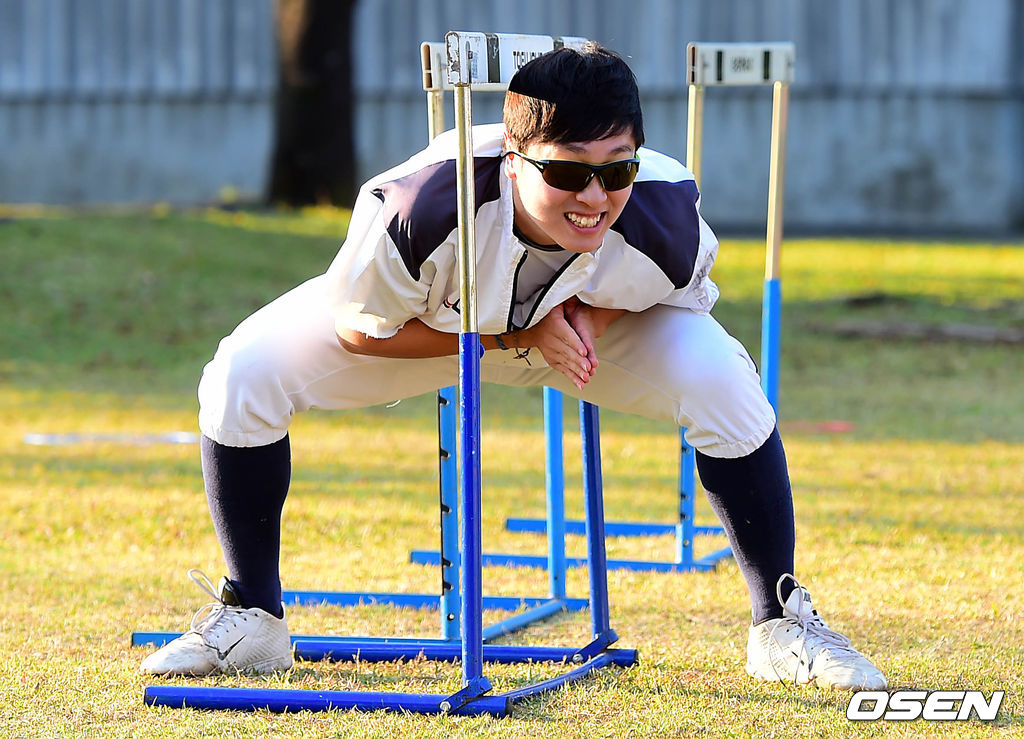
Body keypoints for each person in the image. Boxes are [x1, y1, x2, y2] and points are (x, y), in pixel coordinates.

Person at [141, 42, 886, 691]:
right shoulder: (415, 209)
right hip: (430, 330)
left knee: (729, 380)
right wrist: (511, 338)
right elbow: (361, 332)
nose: (595, 196)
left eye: (615, 168)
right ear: (514, 155)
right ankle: (252, 615)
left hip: (579, 341)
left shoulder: (665, 209)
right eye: (567, 174)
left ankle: (781, 624)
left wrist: (585, 317)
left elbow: (660, 293)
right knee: (240, 370)